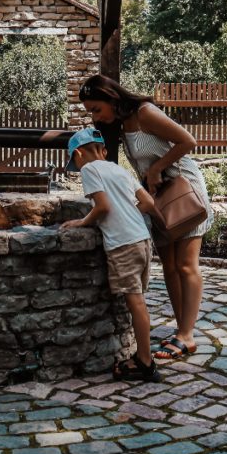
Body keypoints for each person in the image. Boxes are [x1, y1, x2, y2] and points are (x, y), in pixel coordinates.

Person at [78, 74, 211, 361]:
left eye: (96, 109)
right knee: (170, 265)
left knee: (187, 265)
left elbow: (187, 141)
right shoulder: (121, 124)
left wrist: (155, 168)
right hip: (159, 195)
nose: (94, 116)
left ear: (111, 98)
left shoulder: (145, 113)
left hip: (183, 190)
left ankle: (187, 336)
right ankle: (181, 330)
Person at [60, 127, 163, 382]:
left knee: (136, 303)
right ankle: (144, 357)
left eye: (75, 160)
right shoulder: (120, 170)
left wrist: (83, 222)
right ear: (104, 151)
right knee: (139, 301)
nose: (77, 165)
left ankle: (145, 362)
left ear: (79, 154)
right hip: (141, 239)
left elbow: (103, 207)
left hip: (123, 244)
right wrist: (127, 214)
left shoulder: (89, 170)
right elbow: (148, 204)